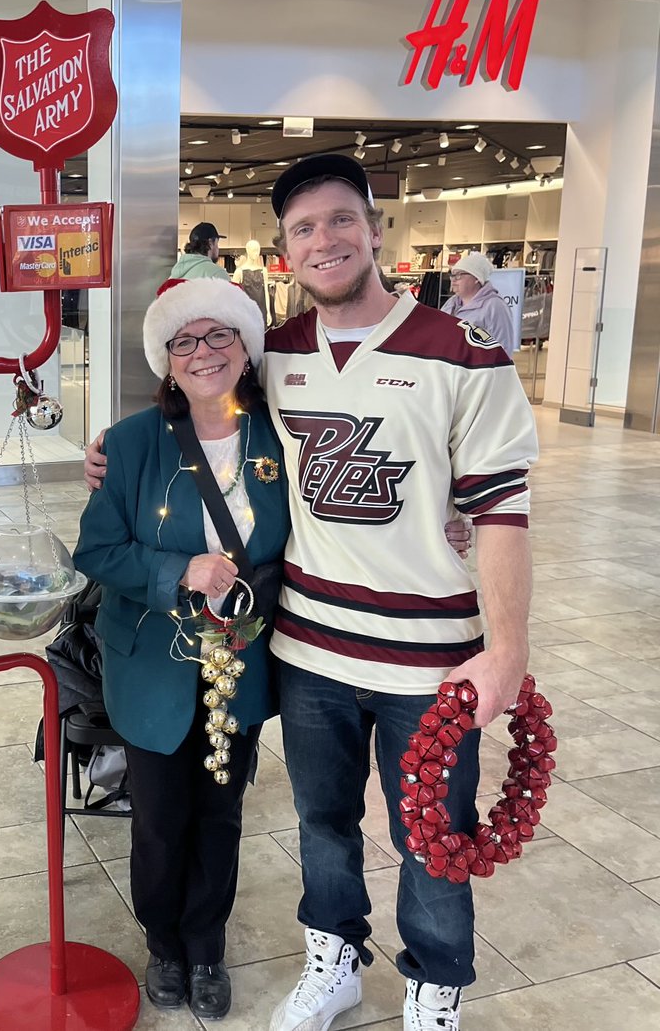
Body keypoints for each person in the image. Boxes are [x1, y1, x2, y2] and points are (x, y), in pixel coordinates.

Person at [84, 155, 536, 1031]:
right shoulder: (281, 357)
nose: (322, 240)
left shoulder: (464, 354)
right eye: (302, 228)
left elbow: (503, 512)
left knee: (429, 837)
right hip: (310, 651)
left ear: (374, 228)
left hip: (429, 658)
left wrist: (508, 647)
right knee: (322, 823)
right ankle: (330, 967)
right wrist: (112, 453)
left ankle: (432, 995)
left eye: (338, 220)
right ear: (286, 251)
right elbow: (186, 422)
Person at [74, 276, 289, 1020]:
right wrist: (178, 572)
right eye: (185, 340)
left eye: (219, 334)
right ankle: (163, 943)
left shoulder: (280, 437)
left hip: (243, 663)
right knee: (161, 817)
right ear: (167, 360)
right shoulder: (132, 444)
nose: (204, 352)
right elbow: (95, 550)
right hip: (153, 668)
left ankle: (207, 945)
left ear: (246, 347)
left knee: (222, 813)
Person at [442, 251, 516, 354]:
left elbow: (503, 348)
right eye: (452, 275)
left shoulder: (495, 307)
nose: (453, 280)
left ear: (476, 278)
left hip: (477, 369)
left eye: (458, 275)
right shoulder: (451, 303)